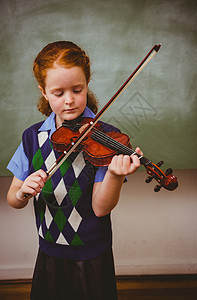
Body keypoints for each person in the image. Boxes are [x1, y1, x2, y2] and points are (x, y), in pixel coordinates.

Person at [7, 41, 142, 300]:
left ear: (87, 83)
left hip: (92, 254)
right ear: (44, 92)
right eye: (58, 93)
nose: (69, 100)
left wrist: (115, 174)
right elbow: (13, 198)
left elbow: (101, 208)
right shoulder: (32, 138)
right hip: (48, 250)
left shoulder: (105, 137)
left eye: (77, 90)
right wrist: (23, 192)